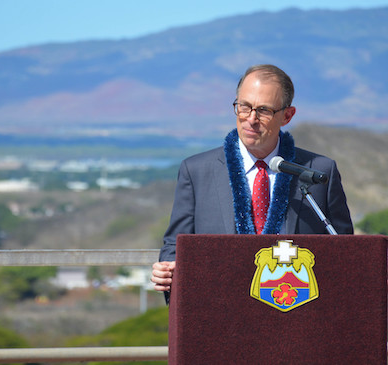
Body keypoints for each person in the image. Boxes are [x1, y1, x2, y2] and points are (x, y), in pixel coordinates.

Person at [151, 64, 353, 295]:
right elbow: (175, 246)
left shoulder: (317, 172)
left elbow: (345, 253)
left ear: (287, 115)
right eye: (244, 107)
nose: (251, 119)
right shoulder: (196, 171)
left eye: (264, 110)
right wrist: (167, 269)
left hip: (296, 309)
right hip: (218, 307)